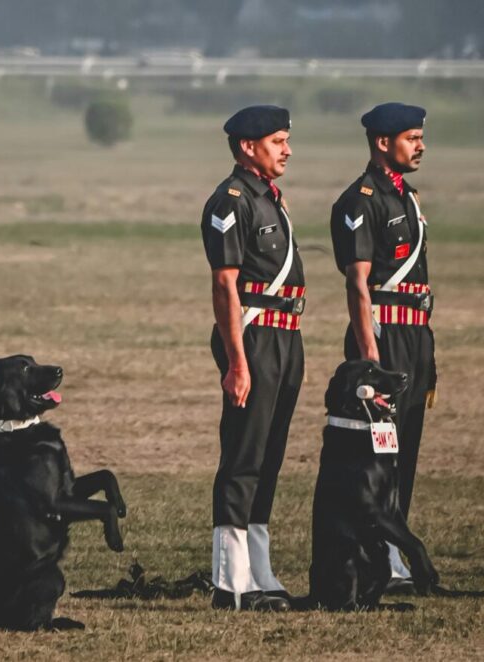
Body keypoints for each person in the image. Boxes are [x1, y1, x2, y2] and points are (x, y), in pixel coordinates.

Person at [200, 105, 305, 612]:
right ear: (248, 147)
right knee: (244, 455)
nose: (286, 149)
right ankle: (230, 580)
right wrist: (237, 362)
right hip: (254, 337)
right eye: (277, 141)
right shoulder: (232, 200)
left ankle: (259, 571)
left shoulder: (270, 200)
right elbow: (225, 286)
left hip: (287, 337)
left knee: (270, 455)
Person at [329, 102, 434, 592]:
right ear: (382, 142)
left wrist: (427, 359)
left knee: (405, 450)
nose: (420, 146)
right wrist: (370, 357)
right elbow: (358, 283)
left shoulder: (407, 198)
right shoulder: (362, 200)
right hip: (383, 338)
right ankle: (377, 560)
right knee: (377, 457)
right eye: (411, 137)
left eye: (420, 137)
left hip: (415, 336)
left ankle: (394, 556)